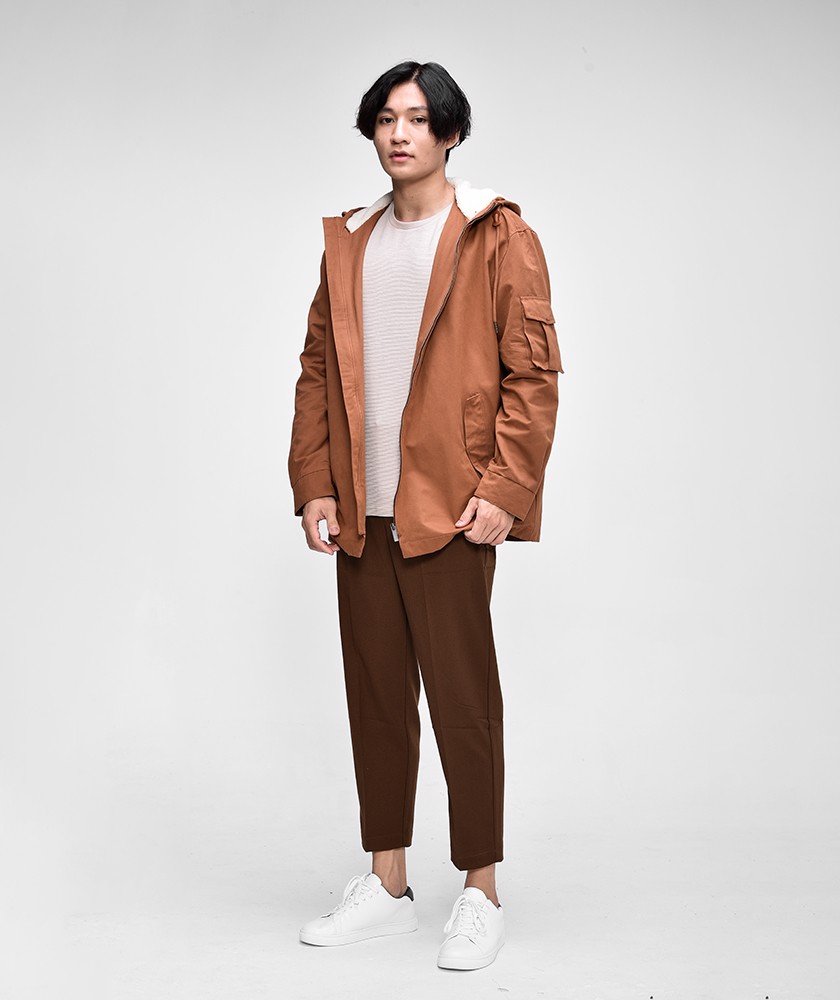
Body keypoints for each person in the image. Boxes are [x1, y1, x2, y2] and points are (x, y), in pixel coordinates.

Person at [288, 60, 562, 971]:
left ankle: (481, 890)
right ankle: (389, 884)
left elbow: (532, 376)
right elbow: (317, 371)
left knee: (463, 704)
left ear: (449, 132)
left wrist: (505, 491)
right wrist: (316, 483)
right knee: (376, 699)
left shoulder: (497, 235)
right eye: (385, 119)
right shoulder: (350, 240)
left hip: (450, 508)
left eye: (417, 118)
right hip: (361, 511)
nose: (399, 133)